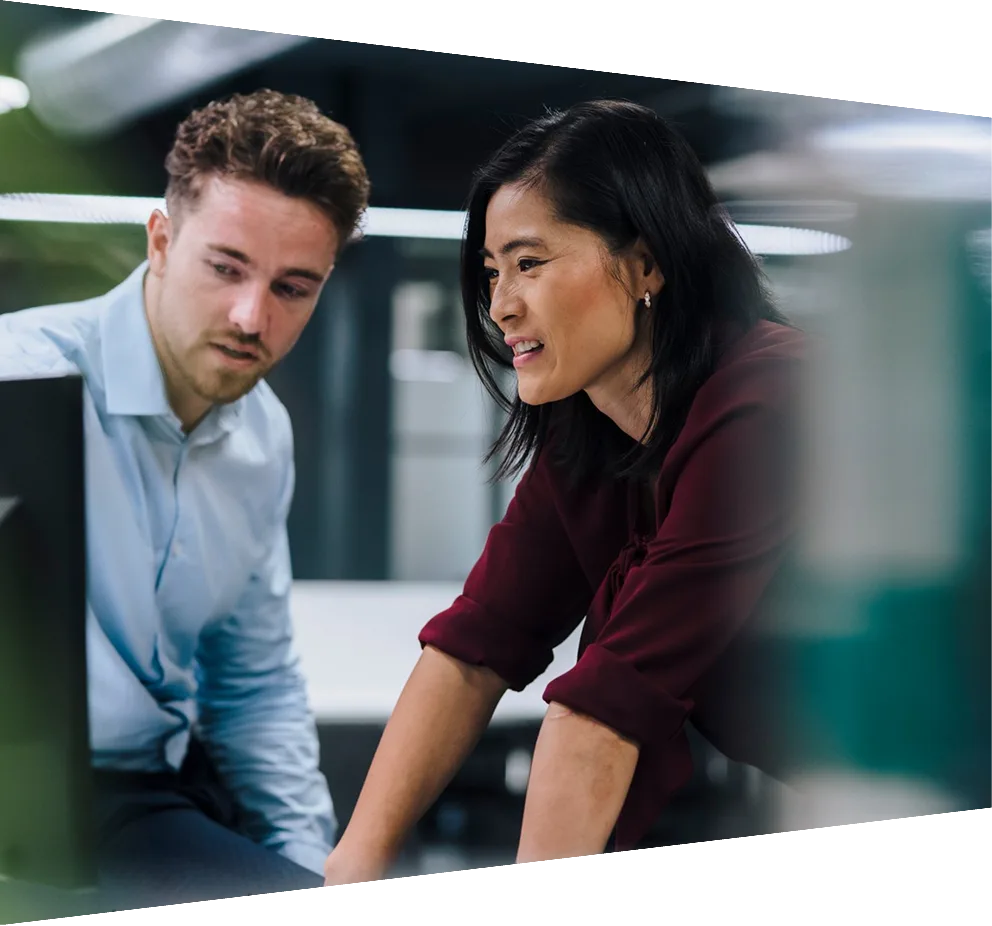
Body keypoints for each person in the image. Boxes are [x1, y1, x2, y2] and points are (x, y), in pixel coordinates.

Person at [322, 99, 805, 884]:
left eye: (531, 262)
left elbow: (604, 707)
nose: (501, 304)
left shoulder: (766, 406)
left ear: (646, 263)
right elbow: (473, 649)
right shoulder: (593, 440)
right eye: (491, 272)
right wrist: (351, 866)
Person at [0, 89, 370, 905]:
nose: (251, 316)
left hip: (135, 799)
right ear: (162, 241)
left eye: (293, 288)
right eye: (227, 268)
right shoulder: (19, 375)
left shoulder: (263, 435)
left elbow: (254, 685)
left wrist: (311, 864)